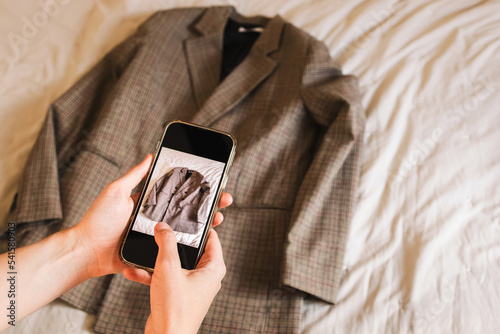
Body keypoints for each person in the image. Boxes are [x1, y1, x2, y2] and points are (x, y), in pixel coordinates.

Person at [0, 154, 231, 333]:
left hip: (184, 220)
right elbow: (159, 186)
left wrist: (199, 219)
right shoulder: (177, 171)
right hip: (159, 213)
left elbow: (207, 196)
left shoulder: (202, 179)